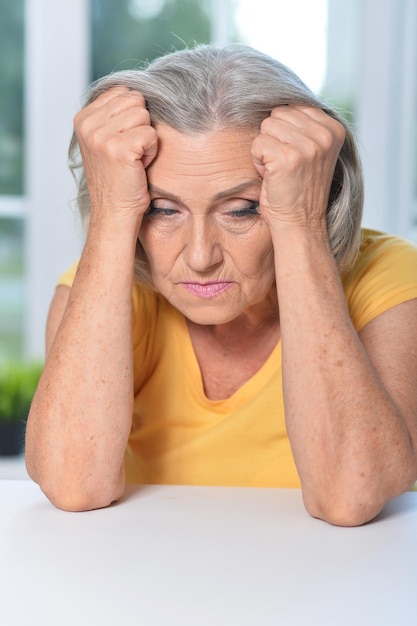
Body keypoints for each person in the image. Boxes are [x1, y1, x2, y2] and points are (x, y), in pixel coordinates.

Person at [25, 43, 417, 525]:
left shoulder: (388, 274)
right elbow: (71, 483)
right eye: (163, 210)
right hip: (140, 589)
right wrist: (111, 214)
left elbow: (349, 495)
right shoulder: (108, 290)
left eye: (241, 210)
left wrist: (300, 221)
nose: (199, 256)